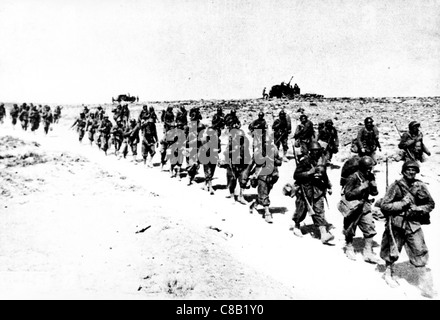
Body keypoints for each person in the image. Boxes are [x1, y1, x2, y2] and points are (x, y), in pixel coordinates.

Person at [379, 161, 436, 298]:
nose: (411, 172)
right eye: (409, 170)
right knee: (393, 249)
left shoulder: (420, 186)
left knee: (419, 250)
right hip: (397, 223)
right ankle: (388, 272)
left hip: (413, 223)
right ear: (403, 171)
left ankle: (426, 285)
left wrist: (419, 209)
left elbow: (430, 204)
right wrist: (402, 204)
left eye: (414, 170)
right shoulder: (396, 186)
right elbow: (385, 206)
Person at [292, 141, 334, 244]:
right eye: (315, 151)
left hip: (318, 189)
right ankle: (297, 225)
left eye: (318, 151)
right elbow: (296, 175)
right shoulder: (305, 161)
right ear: (310, 152)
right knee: (301, 210)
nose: (317, 153)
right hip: (305, 190)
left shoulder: (321, 160)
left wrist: (328, 186)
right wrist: (308, 173)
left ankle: (323, 234)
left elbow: (324, 174)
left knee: (319, 210)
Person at [341, 156, 382, 263]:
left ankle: (368, 251)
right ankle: (349, 247)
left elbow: (374, 193)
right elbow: (348, 195)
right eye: (367, 168)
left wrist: (373, 187)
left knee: (370, 227)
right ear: (361, 167)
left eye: (370, 168)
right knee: (350, 228)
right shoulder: (353, 177)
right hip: (352, 206)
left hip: (364, 206)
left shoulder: (370, 176)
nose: (369, 170)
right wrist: (360, 188)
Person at [248, 135, 283, 224]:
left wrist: (274, 160)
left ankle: (255, 204)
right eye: (266, 143)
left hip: (273, 175)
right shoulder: (258, 150)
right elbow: (253, 162)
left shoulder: (274, 148)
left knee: (266, 192)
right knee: (263, 193)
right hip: (261, 174)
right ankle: (267, 214)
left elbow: (279, 162)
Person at [223, 128, 251, 204]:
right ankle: (231, 193)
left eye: (242, 137)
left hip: (242, 165)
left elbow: (247, 154)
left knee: (243, 180)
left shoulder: (245, 143)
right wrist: (233, 152)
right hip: (233, 164)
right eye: (239, 137)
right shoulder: (232, 143)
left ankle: (241, 196)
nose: (241, 138)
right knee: (231, 179)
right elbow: (225, 152)